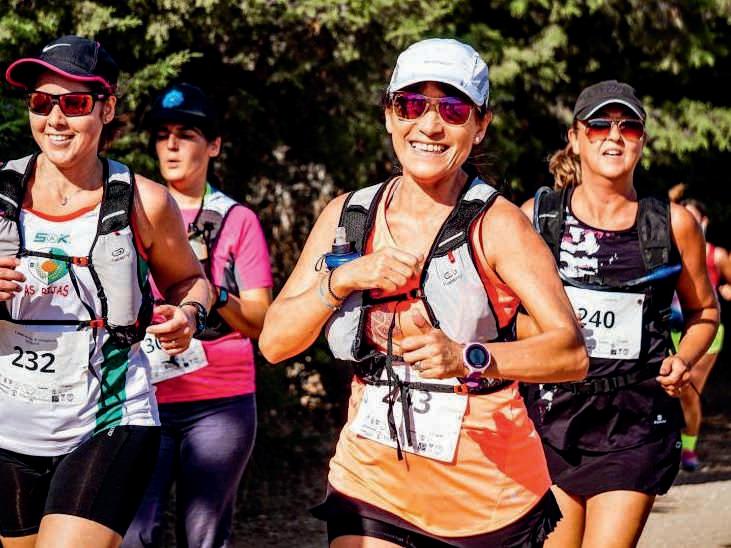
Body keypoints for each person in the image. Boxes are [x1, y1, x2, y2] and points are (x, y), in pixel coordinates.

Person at [259, 38, 588, 547]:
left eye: (453, 110)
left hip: (485, 500)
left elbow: (571, 354)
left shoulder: (499, 225)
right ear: (389, 116)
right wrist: (342, 279)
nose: (430, 126)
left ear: (480, 125)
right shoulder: (348, 216)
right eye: (411, 105)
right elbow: (274, 343)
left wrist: (466, 356)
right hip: (369, 483)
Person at [0, 36, 211, 548]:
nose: (55, 119)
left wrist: (188, 315)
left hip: (110, 418)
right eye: (40, 102)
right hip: (9, 427)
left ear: (107, 108)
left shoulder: (145, 202)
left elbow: (192, 281)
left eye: (74, 103)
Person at [521, 80, 719, 547]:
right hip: (550, 421)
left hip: (634, 422)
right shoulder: (538, 219)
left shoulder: (672, 224)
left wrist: (683, 359)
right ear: (575, 138)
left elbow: (705, 311)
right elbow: (505, 313)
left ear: (642, 141)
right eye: (599, 126)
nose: (615, 136)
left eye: (629, 127)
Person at [123, 84, 272, 548]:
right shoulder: (132, 211)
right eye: (162, 134)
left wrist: (208, 293)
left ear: (214, 146)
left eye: (186, 134)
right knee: (132, 533)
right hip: (141, 394)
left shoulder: (238, 219)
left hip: (219, 401)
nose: (170, 145)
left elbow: (261, 321)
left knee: (203, 538)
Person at [666, 188, 731, 471]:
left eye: (694, 219)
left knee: (688, 389)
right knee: (668, 390)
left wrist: (726, 291)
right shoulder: (664, 252)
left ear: (704, 222)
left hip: (705, 329)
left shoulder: (717, 255)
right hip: (670, 328)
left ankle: (688, 448)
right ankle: (667, 446)